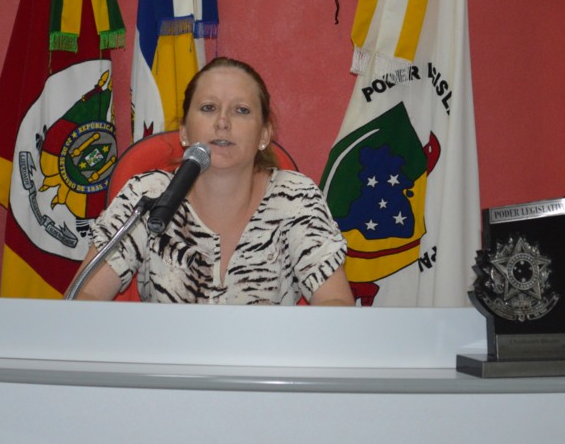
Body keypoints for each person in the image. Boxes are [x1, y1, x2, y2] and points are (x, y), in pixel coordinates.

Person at [71, 57, 354, 305]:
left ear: (265, 135)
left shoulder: (296, 198)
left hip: (265, 363)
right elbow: (85, 299)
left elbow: (336, 303)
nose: (222, 122)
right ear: (183, 131)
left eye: (241, 110)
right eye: (208, 108)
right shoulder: (147, 195)